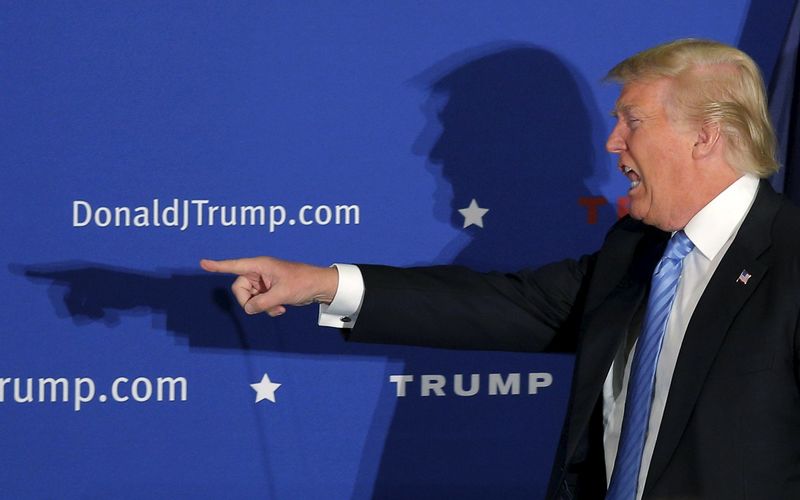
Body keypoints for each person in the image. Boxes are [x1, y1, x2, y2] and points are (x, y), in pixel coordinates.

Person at [201, 39, 800, 499]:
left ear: (705, 137)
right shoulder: (635, 249)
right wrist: (320, 283)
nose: (614, 143)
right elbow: (511, 306)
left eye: (633, 121)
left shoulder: (791, 259)